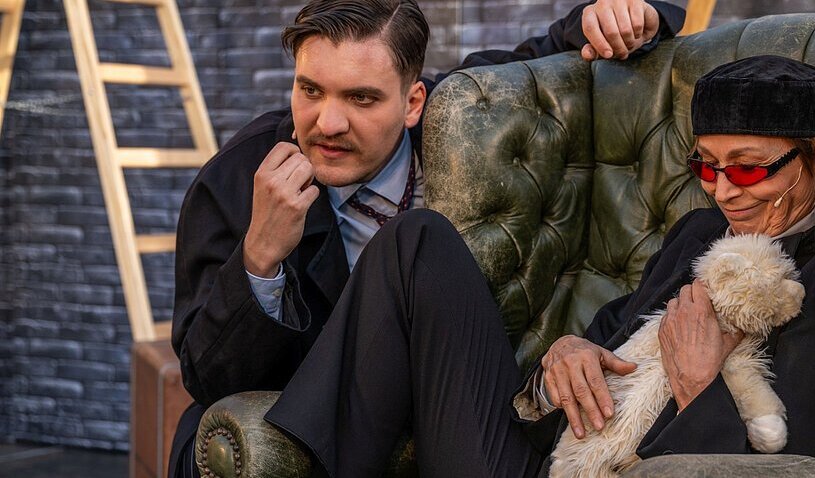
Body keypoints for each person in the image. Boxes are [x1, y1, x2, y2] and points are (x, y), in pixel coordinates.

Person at [169, 1, 687, 477]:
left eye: (361, 97)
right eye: (310, 90)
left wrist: (622, 15)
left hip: (455, 411)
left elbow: (543, 55)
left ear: (413, 102)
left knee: (416, 239)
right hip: (314, 419)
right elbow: (207, 379)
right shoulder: (242, 175)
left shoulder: (465, 115)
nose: (327, 122)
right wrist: (260, 258)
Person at [257, 55, 815, 477]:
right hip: (549, 457)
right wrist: (561, 358)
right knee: (417, 239)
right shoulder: (699, 233)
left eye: (748, 169)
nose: (723, 192)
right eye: (707, 167)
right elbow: (608, 342)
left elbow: (792, 460)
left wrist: (699, 387)